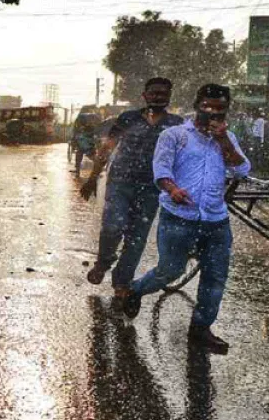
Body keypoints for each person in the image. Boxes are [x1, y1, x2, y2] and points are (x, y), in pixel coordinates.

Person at [122, 84, 250, 354]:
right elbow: (161, 169)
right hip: (179, 217)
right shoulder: (175, 135)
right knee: (171, 270)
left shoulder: (227, 137)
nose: (213, 112)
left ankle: (201, 329)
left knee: (216, 277)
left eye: (219, 108)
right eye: (207, 106)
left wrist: (224, 140)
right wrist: (172, 189)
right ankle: (136, 290)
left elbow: (242, 169)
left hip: (216, 220)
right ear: (197, 105)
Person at [81, 78, 184, 299]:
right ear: (144, 95)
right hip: (120, 182)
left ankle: (122, 283)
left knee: (136, 239)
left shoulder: (177, 125)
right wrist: (92, 178)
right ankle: (103, 262)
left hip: (152, 188)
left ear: (169, 97)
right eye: (153, 93)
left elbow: (184, 158)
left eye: (163, 94)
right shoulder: (128, 118)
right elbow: (107, 147)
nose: (158, 97)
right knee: (112, 226)